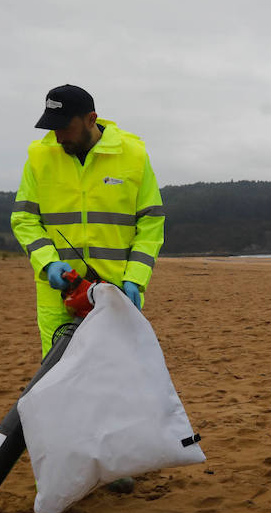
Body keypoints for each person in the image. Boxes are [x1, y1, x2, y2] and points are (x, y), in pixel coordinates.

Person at [10, 84, 165, 357]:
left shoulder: (134, 156)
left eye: (64, 127)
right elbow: (25, 219)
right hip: (58, 296)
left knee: (115, 373)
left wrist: (136, 279)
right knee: (59, 376)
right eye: (52, 127)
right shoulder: (38, 157)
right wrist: (48, 263)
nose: (58, 137)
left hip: (116, 292)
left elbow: (151, 224)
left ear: (91, 119)